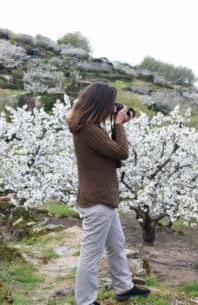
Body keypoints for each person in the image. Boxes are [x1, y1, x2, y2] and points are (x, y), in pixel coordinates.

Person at [66, 82, 150, 304]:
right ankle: (85, 301)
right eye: (111, 102)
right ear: (101, 103)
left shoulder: (90, 126)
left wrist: (115, 122)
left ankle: (124, 288)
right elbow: (121, 152)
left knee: (116, 246)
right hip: (97, 202)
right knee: (91, 255)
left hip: (103, 199)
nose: (113, 106)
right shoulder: (89, 130)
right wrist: (120, 124)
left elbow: (110, 153)